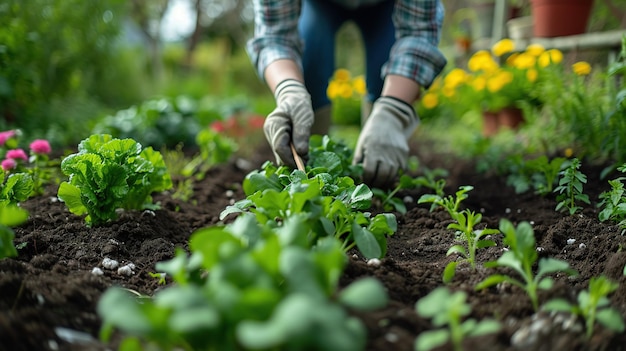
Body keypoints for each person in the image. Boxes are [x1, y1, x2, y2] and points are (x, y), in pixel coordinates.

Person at [246, 0, 447, 188]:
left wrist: (393, 110)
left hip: (387, 7)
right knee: (310, 57)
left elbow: (418, 32)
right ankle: (307, 174)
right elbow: (275, 36)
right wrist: (289, 90)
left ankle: (376, 173)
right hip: (320, 5)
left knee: (384, 80)